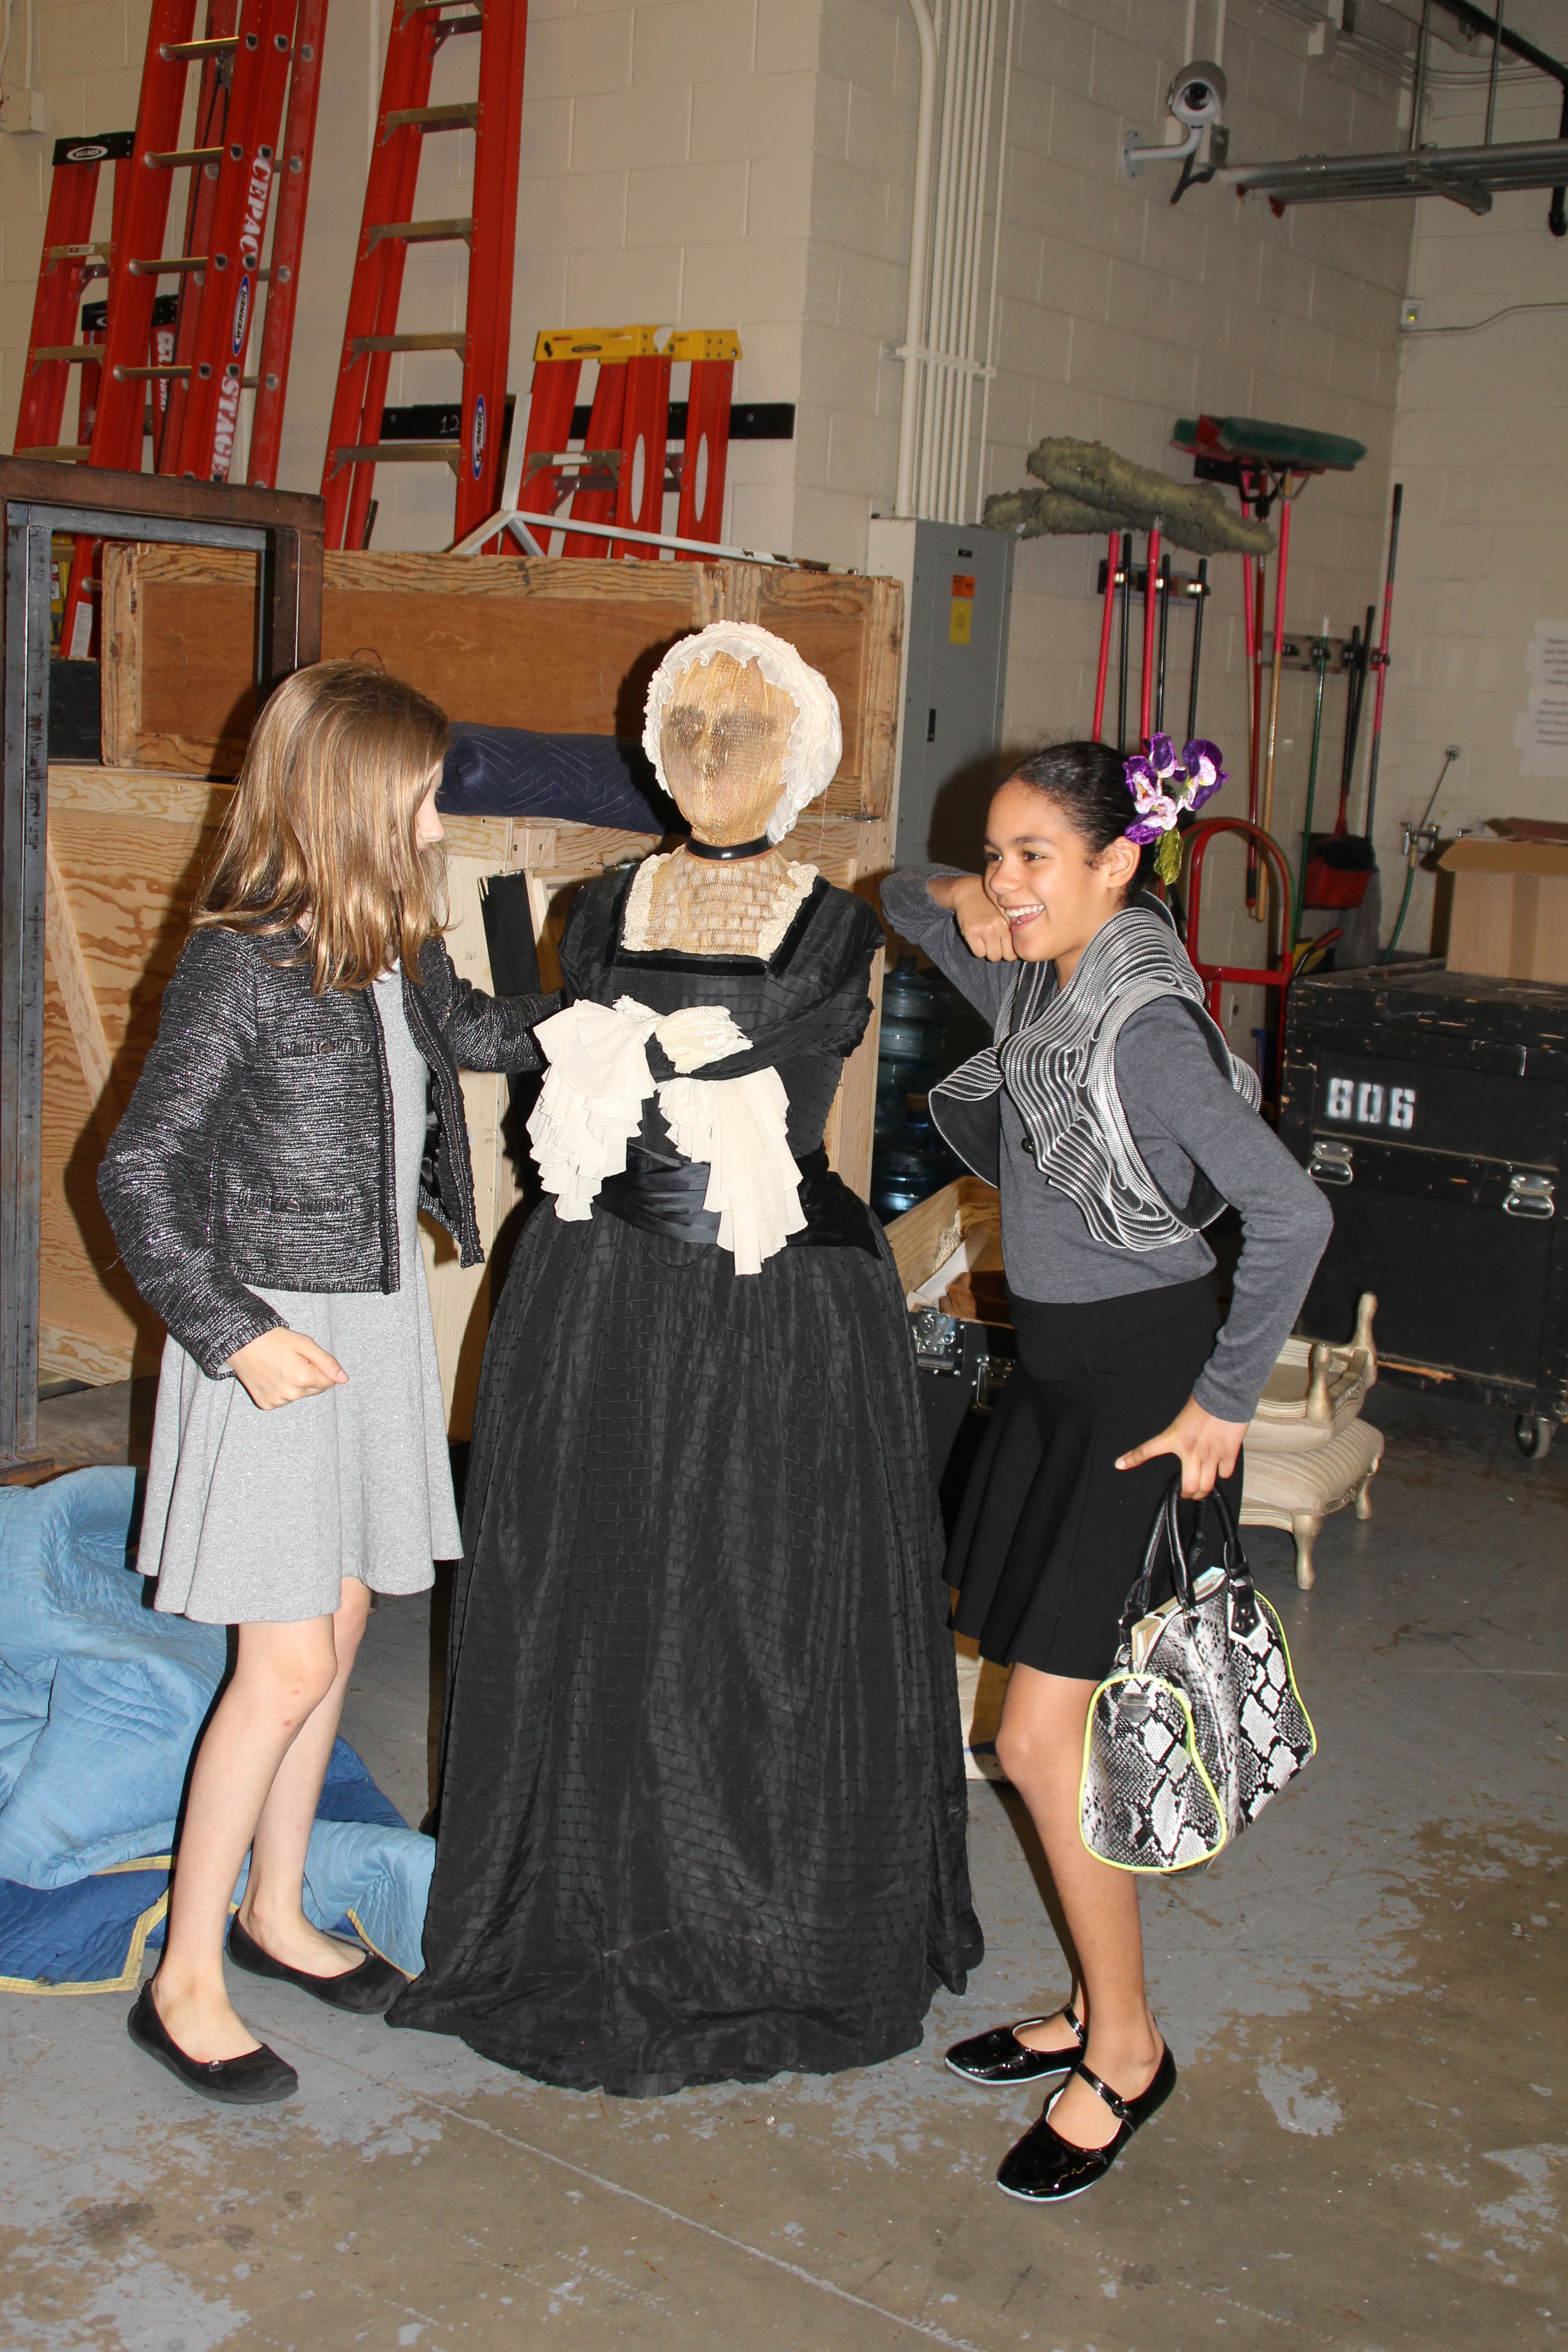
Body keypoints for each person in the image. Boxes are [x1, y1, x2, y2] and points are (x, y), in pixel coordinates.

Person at [392, 622, 981, 2095]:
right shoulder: (595, 911)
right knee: (597, 1594)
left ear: (805, 754)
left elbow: (754, 1042)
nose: (715, 748)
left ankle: (764, 1916)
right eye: (692, 722)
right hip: (600, 1299)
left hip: (775, 1315)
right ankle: (583, 1891)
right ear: (653, 742)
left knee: (754, 1606)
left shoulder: (840, 928)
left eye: (748, 724)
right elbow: (506, 1034)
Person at [880, 737, 1331, 2203]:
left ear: (1120, 864)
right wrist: (982, 893)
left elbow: (1293, 1216)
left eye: (1037, 857)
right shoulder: (1044, 975)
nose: (1007, 883)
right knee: (1046, 1713)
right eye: (998, 852)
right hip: (1063, 1384)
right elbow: (902, 897)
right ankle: (1090, 2005)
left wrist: (1223, 1404)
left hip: (1144, 1392)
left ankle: (1126, 2052)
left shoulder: (1141, 1029)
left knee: (1035, 1740)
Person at [98, 662, 553, 2105]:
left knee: (345, 1628)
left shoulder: (396, 943)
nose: (438, 822)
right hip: (272, 1345)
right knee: (284, 1663)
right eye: (420, 797)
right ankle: (184, 1980)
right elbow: (137, 1170)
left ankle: (278, 1909)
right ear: (355, 801)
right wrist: (232, 1331)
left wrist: (618, 1014)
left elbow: (480, 1035)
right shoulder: (243, 963)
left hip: (374, 1323)